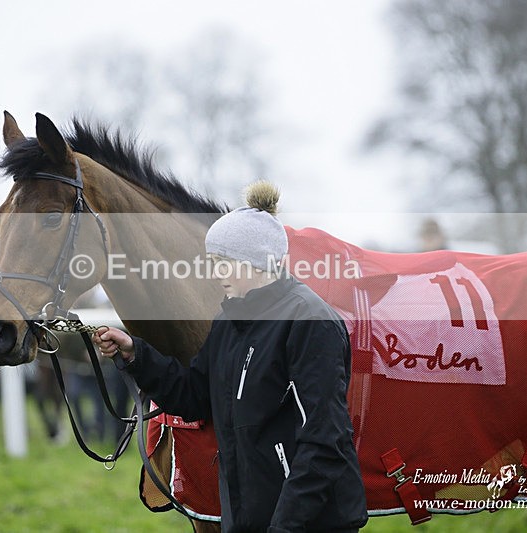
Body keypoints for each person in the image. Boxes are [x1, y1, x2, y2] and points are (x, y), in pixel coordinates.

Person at [93, 182, 368, 532]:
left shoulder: (309, 321)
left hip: (309, 522)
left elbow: (325, 440)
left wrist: (285, 526)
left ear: (254, 262)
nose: (214, 272)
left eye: (222, 262)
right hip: (249, 517)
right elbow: (194, 396)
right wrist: (137, 355)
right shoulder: (228, 321)